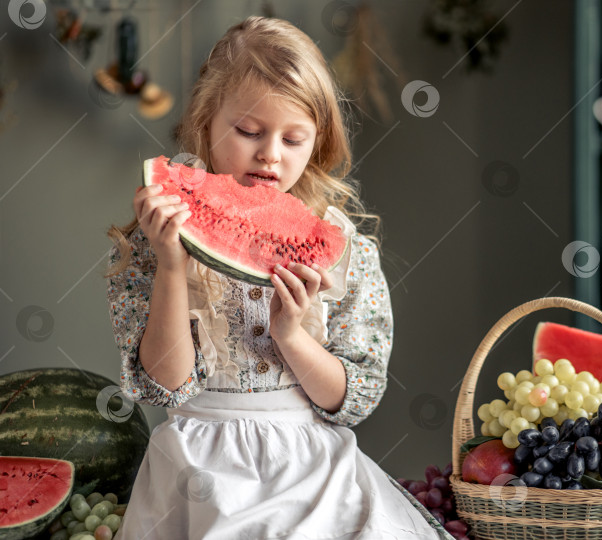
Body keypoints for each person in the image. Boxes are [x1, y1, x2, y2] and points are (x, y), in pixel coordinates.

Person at [105, 16, 452, 540]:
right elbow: (165, 387)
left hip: (315, 472)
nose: (270, 153)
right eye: (248, 131)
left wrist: (292, 336)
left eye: (293, 139)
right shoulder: (154, 240)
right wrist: (172, 266)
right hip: (199, 469)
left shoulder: (345, 251)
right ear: (206, 119)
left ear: (319, 141)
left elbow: (350, 400)